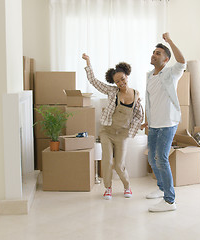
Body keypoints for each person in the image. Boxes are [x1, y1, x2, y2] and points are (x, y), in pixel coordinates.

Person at [82, 53, 144, 200]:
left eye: (122, 79)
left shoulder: (136, 94)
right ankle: (108, 188)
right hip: (107, 132)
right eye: (117, 81)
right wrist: (88, 62)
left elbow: (137, 115)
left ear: (127, 76)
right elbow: (93, 81)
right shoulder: (112, 92)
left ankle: (127, 187)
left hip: (122, 133)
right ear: (114, 83)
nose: (121, 83)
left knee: (119, 164)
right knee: (108, 161)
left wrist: (138, 126)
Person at [142, 32, 186, 212]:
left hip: (168, 123)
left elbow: (182, 61)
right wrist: (147, 120)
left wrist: (170, 41)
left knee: (161, 159)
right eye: (154, 52)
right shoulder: (149, 75)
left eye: (158, 53)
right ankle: (161, 190)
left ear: (166, 59)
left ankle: (170, 201)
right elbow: (150, 101)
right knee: (153, 159)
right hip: (154, 124)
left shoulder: (172, 73)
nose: (154, 54)